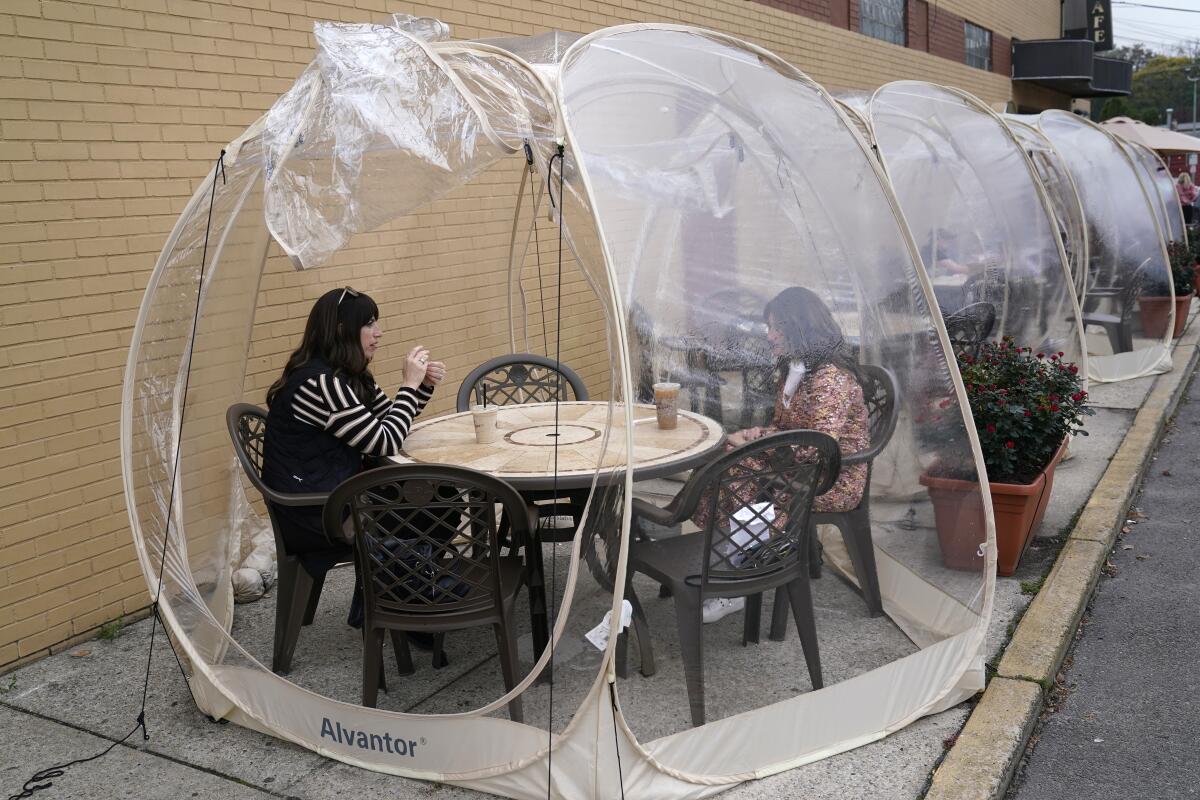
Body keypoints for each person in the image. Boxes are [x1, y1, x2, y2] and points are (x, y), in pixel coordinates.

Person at [261, 286, 446, 629]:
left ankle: (398, 596)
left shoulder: (350, 376)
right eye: (369, 324)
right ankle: (411, 599)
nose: (379, 333)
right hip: (318, 512)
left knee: (441, 495)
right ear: (343, 330)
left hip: (339, 491)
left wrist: (420, 389)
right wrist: (408, 386)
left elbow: (390, 421)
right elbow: (384, 441)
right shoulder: (320, 384)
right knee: (432, 503)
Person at [692, 286, 871, 623]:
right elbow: (786, 426)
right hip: (797, 466)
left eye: (776, 328)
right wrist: (755, 435)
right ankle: (728, 563)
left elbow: (818, 447)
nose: (770, 335)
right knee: (718, 460)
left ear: (799, 327)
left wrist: (757, 446)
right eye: (769, 327)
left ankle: (737, 581)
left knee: (735, 474)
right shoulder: (798, 368)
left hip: (832, 479)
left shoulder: (829, 380)